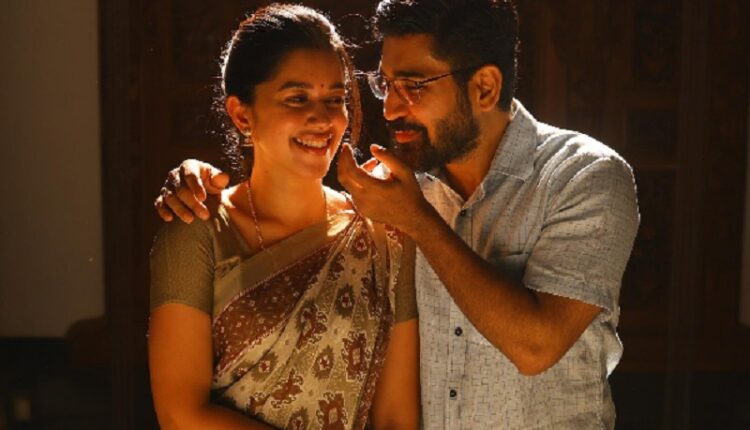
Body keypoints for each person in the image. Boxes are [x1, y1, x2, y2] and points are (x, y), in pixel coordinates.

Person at [155, 0, 640, 428]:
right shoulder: (395, 193)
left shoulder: (582, 178)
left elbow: (536, 347)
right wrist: (193, 180)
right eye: (385, 85)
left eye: (412, 86)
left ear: (485, 88)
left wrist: (419, 222)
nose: (388, 110)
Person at [148, 4, 419, 430]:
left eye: (335, 99)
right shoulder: (198, 231)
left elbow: (397, 419)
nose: (323, 119)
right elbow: (181, 414)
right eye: (297, 98)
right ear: (242, 115)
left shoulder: (384, 236)